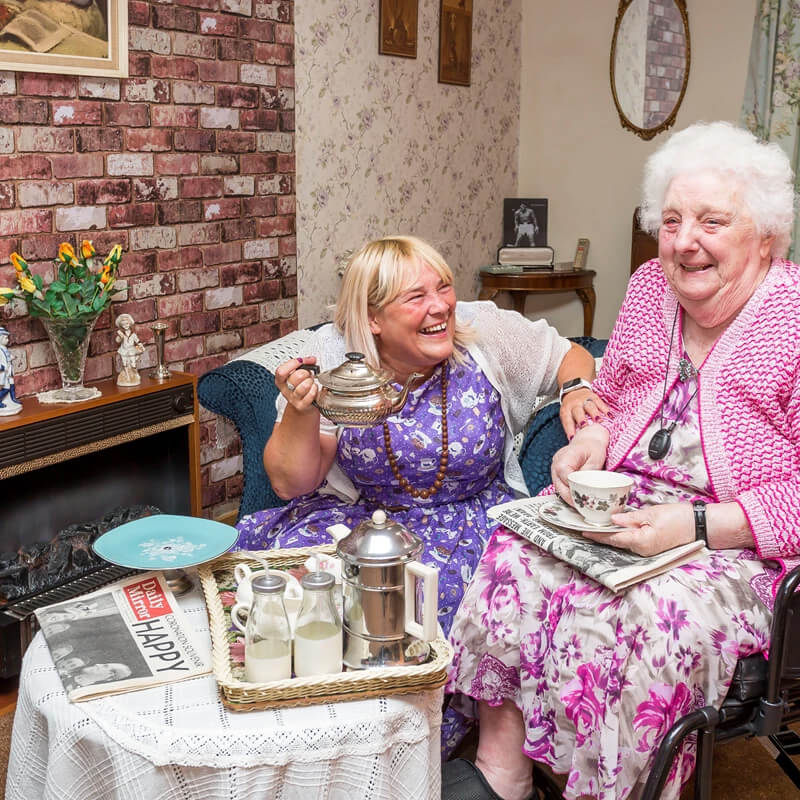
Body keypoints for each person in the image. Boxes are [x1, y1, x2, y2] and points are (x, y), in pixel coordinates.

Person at [443, 121, 800, 800]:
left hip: (738, 545)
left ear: (765, 236)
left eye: (711, 221)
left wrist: (696, 527)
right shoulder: (646, 289)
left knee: (644, 613)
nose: (684, 240)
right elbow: (610, 391)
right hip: (625, 505)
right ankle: (504, 769)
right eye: (671, 220)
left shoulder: (796, 316)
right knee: (513, 552)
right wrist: (591, 443)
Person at [115, 313, 144, 386]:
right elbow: (117, 341)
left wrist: (141, 346)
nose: (126, 326)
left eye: (127, 323)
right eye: (123, 324)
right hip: (124, 350)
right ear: (121, 325)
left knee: (133, 364)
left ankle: (135, 373)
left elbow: (137, 341)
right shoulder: (121, 334)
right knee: (124, 364)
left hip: (131, 350)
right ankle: (127, 376)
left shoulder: (133, 334)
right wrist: (120, 337)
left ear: (130, 323)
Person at [0, 326, 22, 416]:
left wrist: (12, 357)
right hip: (3, 373)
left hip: (9, 372)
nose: (7, 340)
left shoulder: (4, 349)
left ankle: (13, 398)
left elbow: (7, 357)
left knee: (12, 385)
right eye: (5, 338)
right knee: (5, 388)